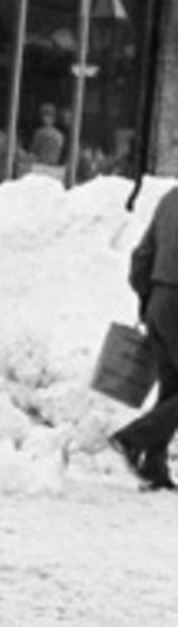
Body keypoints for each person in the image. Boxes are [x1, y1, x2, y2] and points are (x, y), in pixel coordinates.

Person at [108, 183, 178, 490]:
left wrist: (147, 300)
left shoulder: (170, 199)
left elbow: (142, 255)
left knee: (172, 387)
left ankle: (153, 465)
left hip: (160, 301)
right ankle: (133, 438)